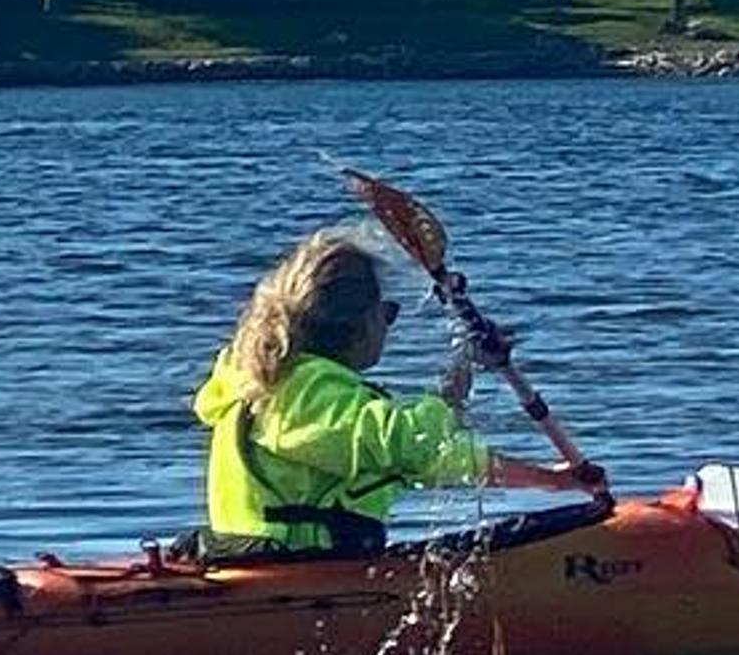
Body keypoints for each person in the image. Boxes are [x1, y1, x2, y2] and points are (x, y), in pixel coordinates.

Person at [192, 228, 604, 553]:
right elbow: (412, 443)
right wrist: (452, 397)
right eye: (387, 314)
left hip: (282, 560)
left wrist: (548, 480)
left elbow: (429, 461)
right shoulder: (302, 391)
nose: (389, 326)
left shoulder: (264, 381)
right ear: (354, 325)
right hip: (296, 571)